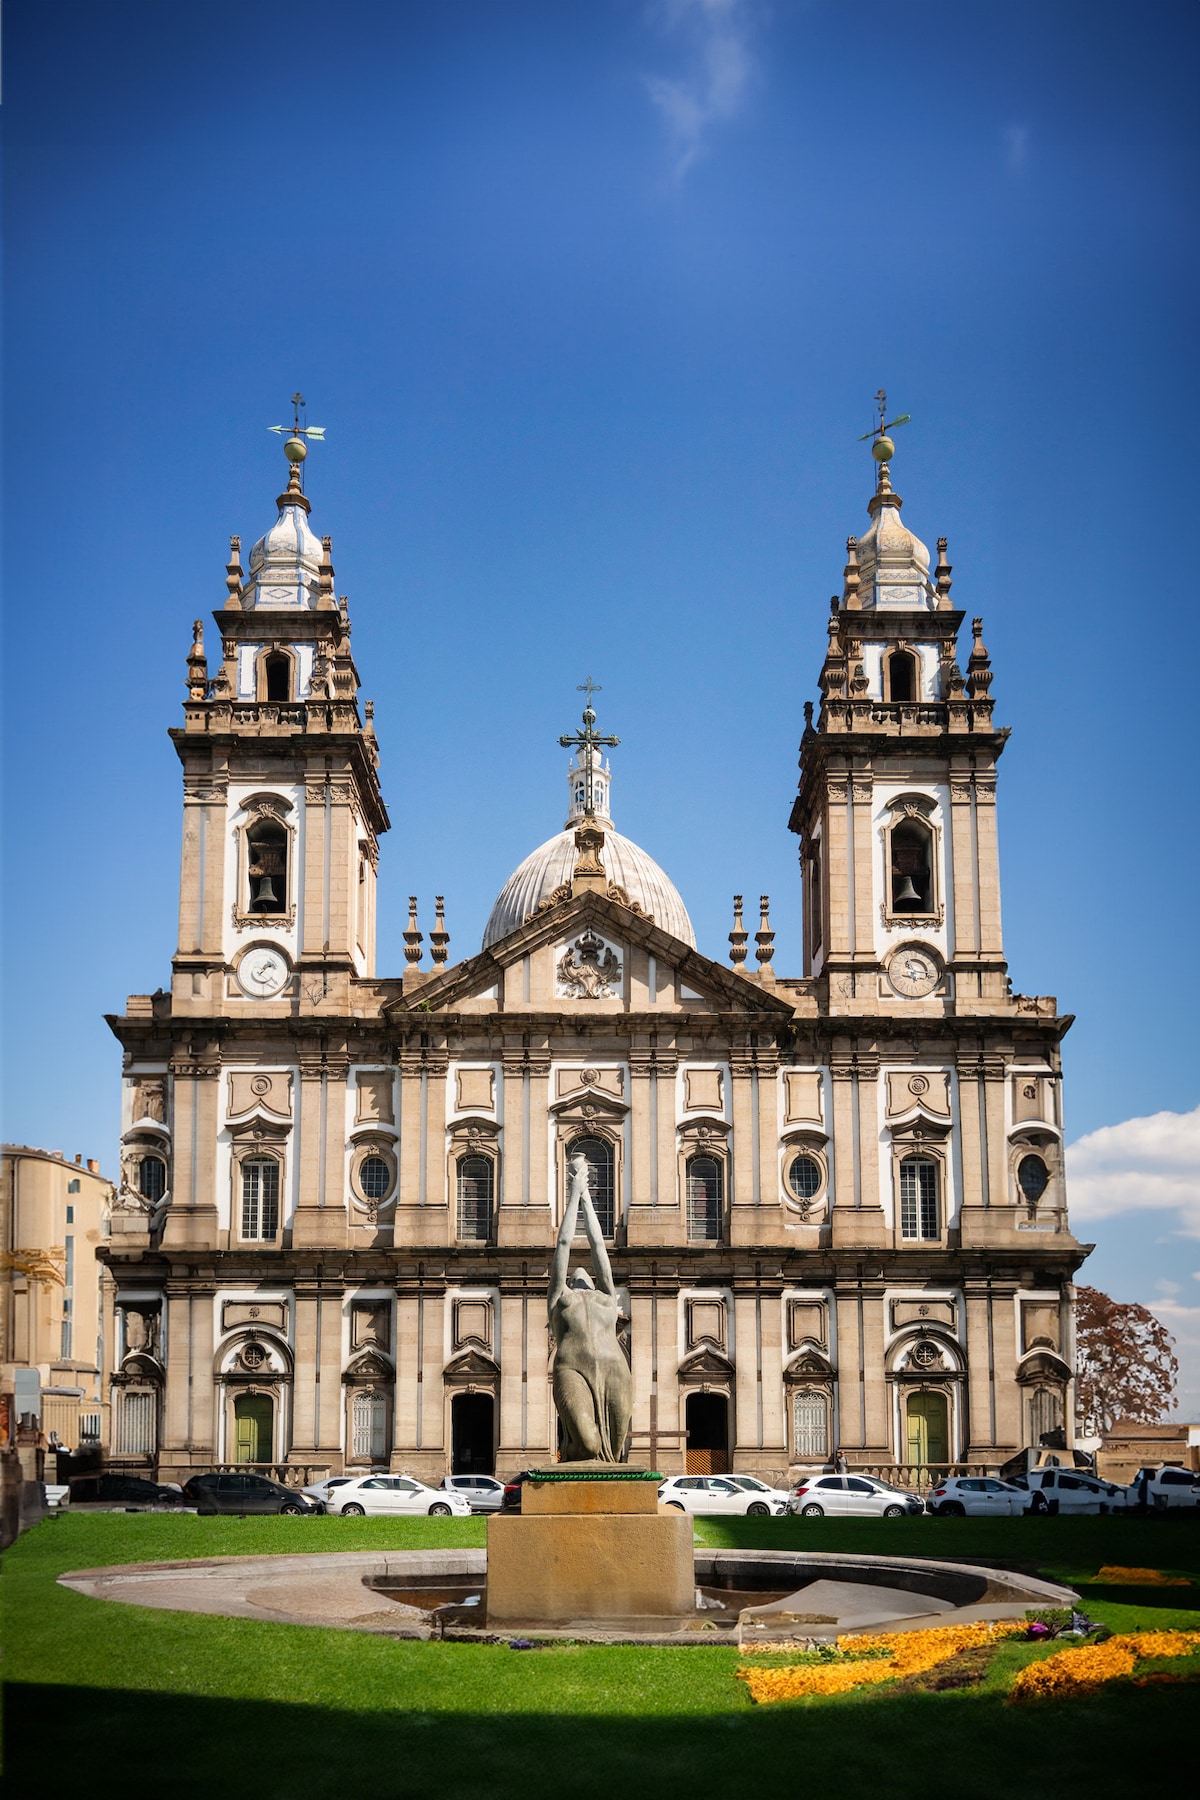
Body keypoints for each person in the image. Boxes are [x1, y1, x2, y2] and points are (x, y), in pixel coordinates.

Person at [547, 1149, 633, 1462]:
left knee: (614, 1454)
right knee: (588, 1444)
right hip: (572, 1370)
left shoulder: (606, 1296)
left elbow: (599, 1246)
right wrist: (574, 1194)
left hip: (615, 1371)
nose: (581, 1272)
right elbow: (564, 1244)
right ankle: (568, 1458)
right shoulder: (561, 1298)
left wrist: (587, 1199)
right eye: (574, 1274)